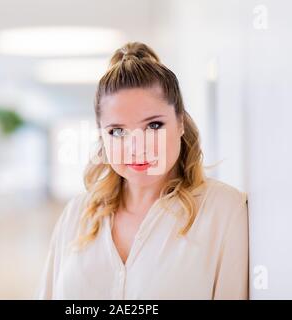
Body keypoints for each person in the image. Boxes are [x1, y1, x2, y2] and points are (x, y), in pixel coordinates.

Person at [37, 42, 249, 300]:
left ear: (181, 122)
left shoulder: (224, 211)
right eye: (117, 131)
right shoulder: (76, 215)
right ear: (102, 136)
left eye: (154, 125)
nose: (136, 147)